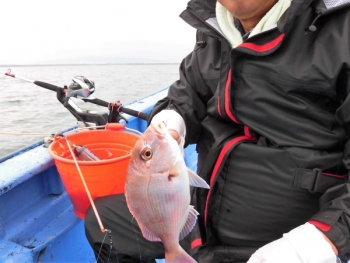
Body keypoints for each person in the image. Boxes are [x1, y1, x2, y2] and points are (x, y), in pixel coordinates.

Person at [84, 0, 350, 262]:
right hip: (203, 215)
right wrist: (171, 120)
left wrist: (313, 244)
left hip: (285, 238)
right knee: (104, 221)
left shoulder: (341, 30)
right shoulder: (215, 28)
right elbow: (188, 94)